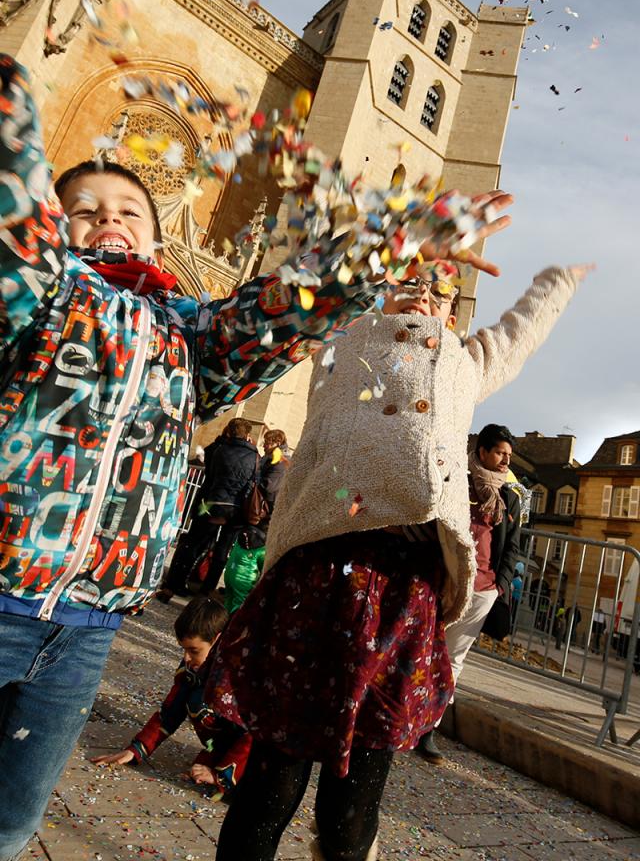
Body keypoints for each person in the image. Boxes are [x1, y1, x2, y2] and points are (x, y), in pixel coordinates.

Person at [3, 57, 513, 860]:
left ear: (162, 232)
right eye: (82, 208)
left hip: (89, 620)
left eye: (130, 207)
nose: (109, 213)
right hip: (4, 591)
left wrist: (391, 243)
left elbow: (278, 309)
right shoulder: (38, 298)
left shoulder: (193, 338)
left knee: (12, 823)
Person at [205, 260, 589, 861]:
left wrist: (558, 281)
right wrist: (375, 241)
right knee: (274, 779)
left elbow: (519, 331)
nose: (422, 293)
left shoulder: (464, 362)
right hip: (318, 577)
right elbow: (302, 295)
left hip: (403, 590)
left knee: (356, 795)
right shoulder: (338, 342)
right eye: (408, 279)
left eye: (439, 289)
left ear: (455, 312)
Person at [417, 424, 522, 765]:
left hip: (484, 589)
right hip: (445, 580)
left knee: (454, 658)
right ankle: (400, 716)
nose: (506, 460)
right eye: (500, 453)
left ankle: (427, 729)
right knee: (421, 646)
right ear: (482, 452)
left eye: (509, 455)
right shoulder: (457, 483)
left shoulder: (510, 497)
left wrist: (500, 584)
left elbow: (514, 546)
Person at [92, 596, 250, 793]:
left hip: (254, 756)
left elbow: (253, 731)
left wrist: (222, 776)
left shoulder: (237, 674)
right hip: (228, 744)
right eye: (184, 650)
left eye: (194, 650)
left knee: (201, 704)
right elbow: (170, 712)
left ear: (218, 640)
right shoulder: (191, 670)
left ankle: (227, 770)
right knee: (194, 698)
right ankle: (218, 758)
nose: (186, 658)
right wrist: (137, 749)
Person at [158, 418, 260, 601]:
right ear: (248, 435)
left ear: (229, 431)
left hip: (210, 504)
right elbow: (253, 483)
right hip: (236, 510)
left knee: (195, 543)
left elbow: (210, 475)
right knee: (222, 551)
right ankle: (206, 591)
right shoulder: (254, 457)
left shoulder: (220, 449)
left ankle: (175, 583)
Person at [222, 429, 290, 613]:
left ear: (277, 442)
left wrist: (253, 485)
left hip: (262, 520)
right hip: (262, 519)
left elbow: (269, 489)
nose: (264, 445)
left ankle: (238, 609)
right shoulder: (274, 459)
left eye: (268, 441)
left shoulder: (279, 461)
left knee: (247, 563)